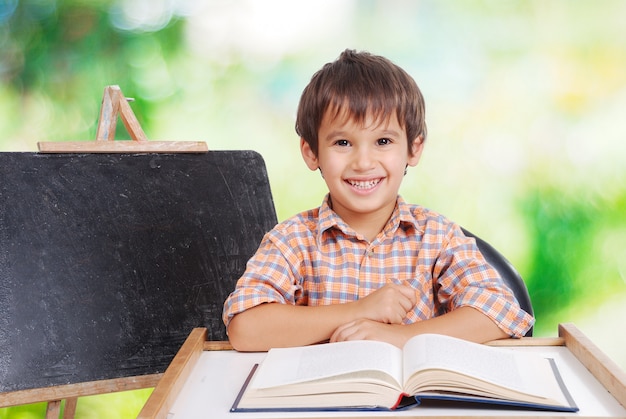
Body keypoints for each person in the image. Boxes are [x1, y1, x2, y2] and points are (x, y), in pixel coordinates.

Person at [222, 49, 534, 352]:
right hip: (321, 404)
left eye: (383, 141)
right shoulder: (291, 242)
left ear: (413, 149)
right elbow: (245, 327)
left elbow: (501, 311)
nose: (363, 162)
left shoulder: (438, 237)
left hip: (420, 404)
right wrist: (360, 310)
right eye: (343, 142)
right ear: (311, 152)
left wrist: (400, 337)